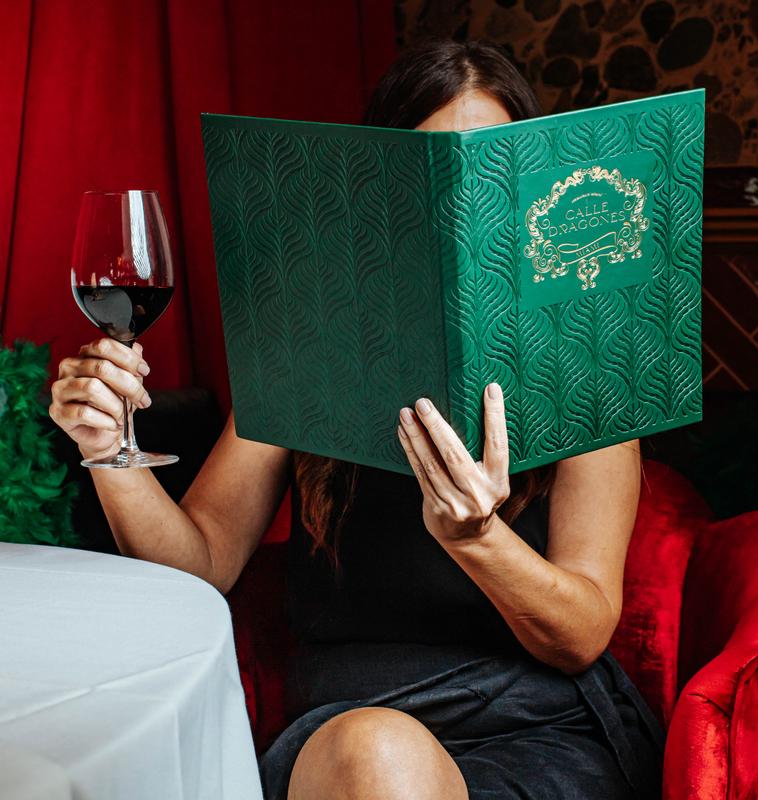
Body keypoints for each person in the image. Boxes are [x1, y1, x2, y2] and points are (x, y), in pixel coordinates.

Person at [50, 38, 664, 800]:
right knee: (377, 753)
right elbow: (199, 565)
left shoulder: (587, 363)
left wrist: (479, 540)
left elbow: (581, 637)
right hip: (349, 740)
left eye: (489, 174)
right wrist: (108, 452)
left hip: (538, 732)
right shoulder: (311, 348)